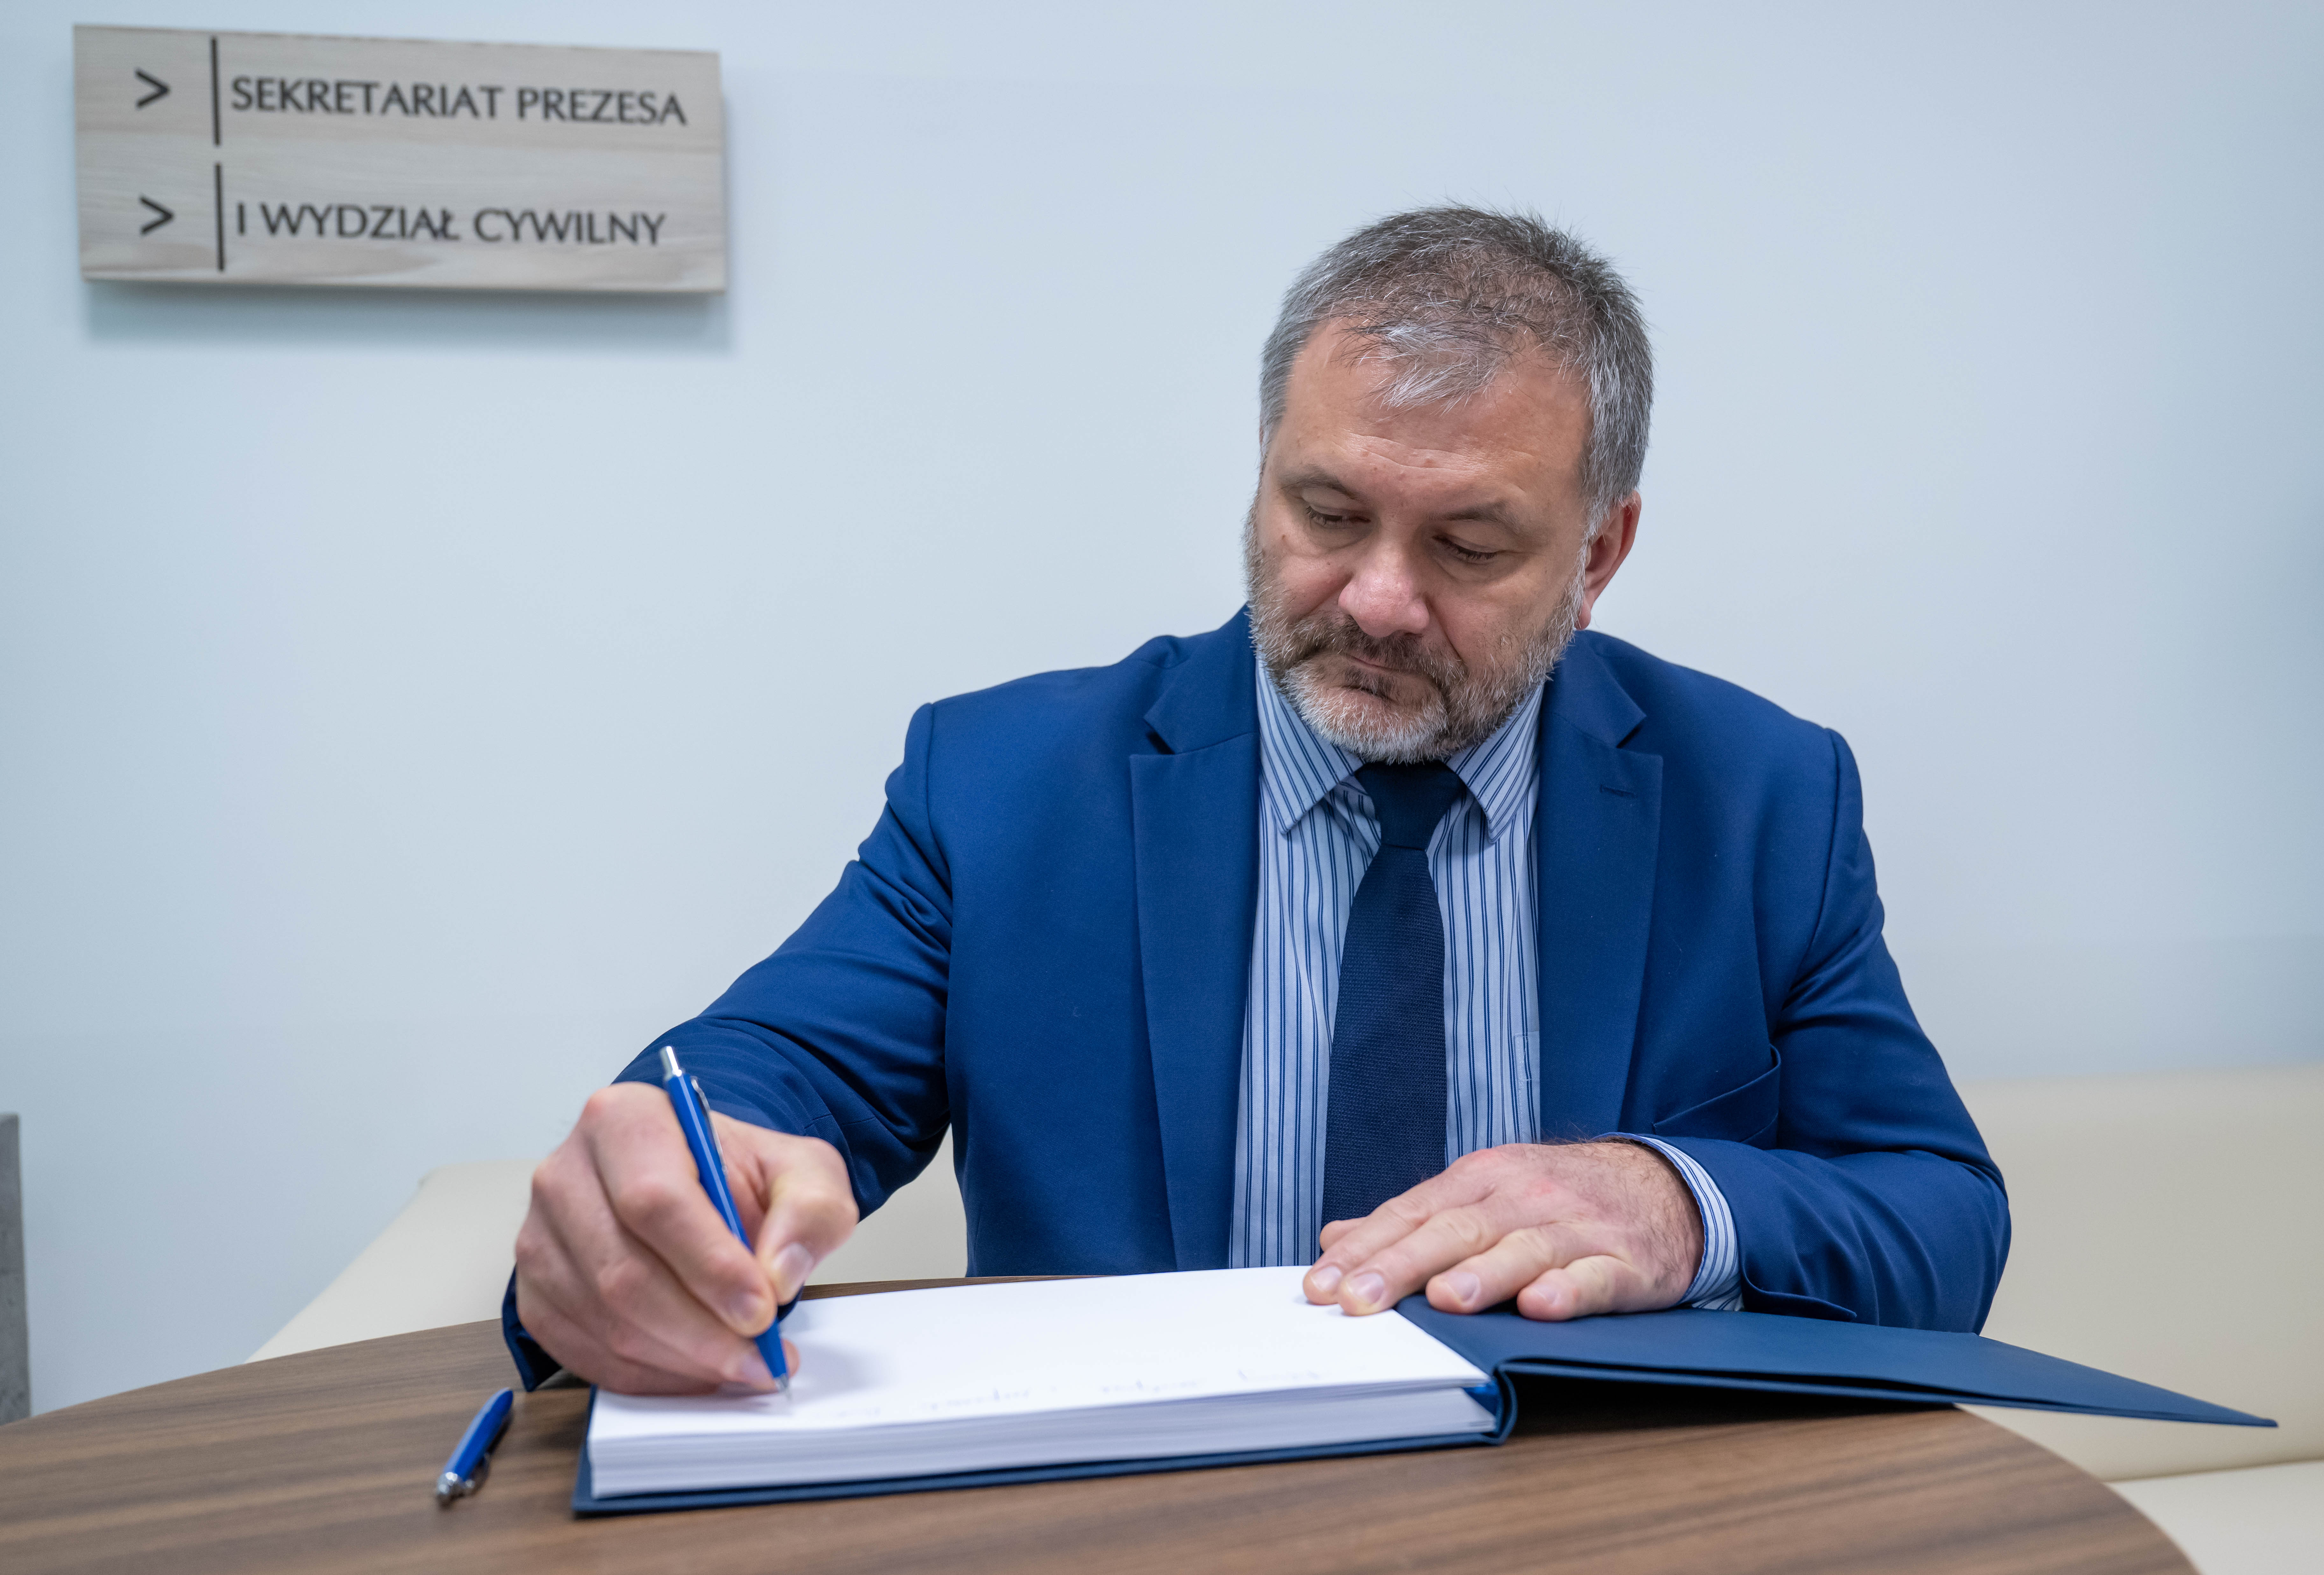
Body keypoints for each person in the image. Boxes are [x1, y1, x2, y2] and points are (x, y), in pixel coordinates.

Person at [507, 207, 2008, 1396]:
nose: (1378, 599)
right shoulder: (1006, 785)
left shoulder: (1762, 799)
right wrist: (669, 1179)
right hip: (1136, 1515)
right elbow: (780, 1066)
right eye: (1326, 511)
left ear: (1597, 554)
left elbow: (1937, 1216)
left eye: (1470, 545)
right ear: (1262, 475)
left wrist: (1676, 1205)